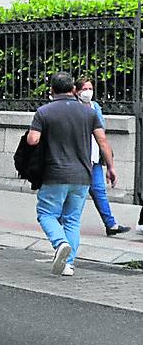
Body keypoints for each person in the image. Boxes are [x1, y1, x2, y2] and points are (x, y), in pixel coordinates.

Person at [26, 71, 117, 275]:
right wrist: (110, 167)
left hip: (54, 173)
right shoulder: (89, 112)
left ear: (51, 90)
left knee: (46, 213)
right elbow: (102, 141)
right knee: (72, 219)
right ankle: (68, 264)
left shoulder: (44, 112)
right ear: (74, 90)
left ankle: (60, 243)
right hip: (83, 175)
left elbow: (33, 140)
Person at [74, 77, 130, 236]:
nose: (87, 92)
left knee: (99, 191)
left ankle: (111, 225)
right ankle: (67, 224)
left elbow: (101, 135)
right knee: (78, 194)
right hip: (79, 159)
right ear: (77, 91)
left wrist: (108, 162)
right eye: (84, 89)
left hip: (94, 158)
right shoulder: (74, 108)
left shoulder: (95, 107)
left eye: (90, 88)